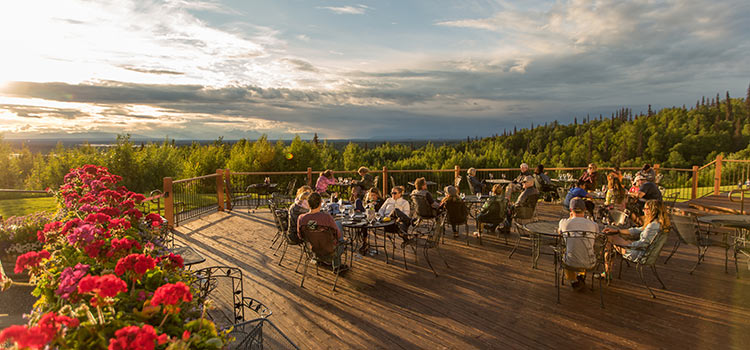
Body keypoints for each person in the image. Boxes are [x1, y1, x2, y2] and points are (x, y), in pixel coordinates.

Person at [601, 200, 670, 279]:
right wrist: (618, 231)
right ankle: (607, 272)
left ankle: (607, 272)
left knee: (609, 238)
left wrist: (627, 244)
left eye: (646, 209)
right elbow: (639, 230)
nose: (643, 210)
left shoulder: (652, 226)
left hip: (639, 254)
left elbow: (642, 243)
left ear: (652, 211)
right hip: (645, 252)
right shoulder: (658, 223)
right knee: (614, 237)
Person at [557, 198, 599, 291]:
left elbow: (559, 233)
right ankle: (581, 275)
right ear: (585, 210)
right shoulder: (593, 225)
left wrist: (570, 218)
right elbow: (596, 236)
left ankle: (573, 280)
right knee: (584, 246)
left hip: (570, 262)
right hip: (590, 262)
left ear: (571, 210)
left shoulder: (564, 223)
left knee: (568, 250)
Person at [297, 192, 347, 269]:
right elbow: (338, 235)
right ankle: (337, 266)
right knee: (338, 225)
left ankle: (321, 261)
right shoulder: (327, 218)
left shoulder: (301, 218)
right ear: (320, 203)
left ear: (308, 204)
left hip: (313, 251)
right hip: (330, 252)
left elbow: (300, 236)